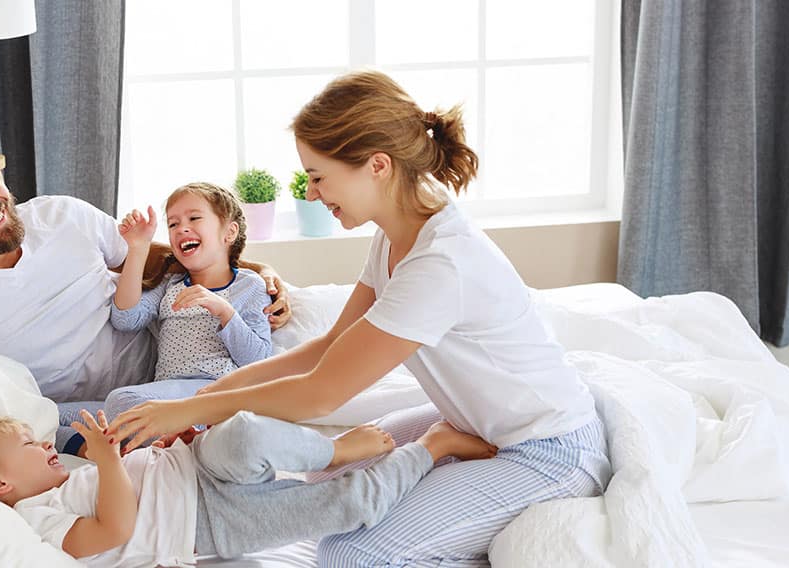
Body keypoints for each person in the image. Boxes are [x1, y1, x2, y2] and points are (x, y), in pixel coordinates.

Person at [107, 70, 612, 566]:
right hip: (471, 423)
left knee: (350, 556)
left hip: (546, 449)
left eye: (318, 176)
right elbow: (328, 348)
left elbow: (322, 392)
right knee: (328, 471)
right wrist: (203, 397)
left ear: (377, 165)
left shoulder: (442, 262)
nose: (309, 193)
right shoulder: (393, 237)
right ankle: (443, 459)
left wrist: (188, 412)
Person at [0, 124, 292, 453]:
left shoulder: (61, 215)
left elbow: (150, 256)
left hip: (172, 368)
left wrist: (249, 270)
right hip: (90, 413)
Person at [0, 410, 497, 566]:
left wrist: (133, 452)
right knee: (350, 507)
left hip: (191, 465)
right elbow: (115, 529)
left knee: (245, 435)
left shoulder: (62, 481)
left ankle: (336, 448)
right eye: (28, 446)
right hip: (209, 528)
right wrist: (105, 461)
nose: (42, 444)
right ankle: (435, 446)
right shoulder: (32, 528)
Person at [103, 182, 272, 429]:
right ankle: (162, 442)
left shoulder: (250, 286)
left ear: (229, 232)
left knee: (121, 401)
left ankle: (183, 438)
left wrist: (224, 311)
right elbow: (125, 319)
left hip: (214, 392)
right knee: (54, 416)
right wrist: (138, 248)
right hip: (166, 394)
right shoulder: (170, 285)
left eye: (194, 218)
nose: (182, 228)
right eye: (173, 224)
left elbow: (259, 360)